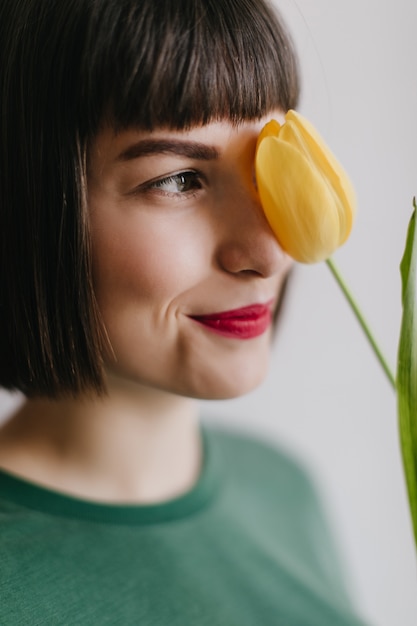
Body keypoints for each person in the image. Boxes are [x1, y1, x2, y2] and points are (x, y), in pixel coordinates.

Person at [0, 0, 368, 623]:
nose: (270, 251)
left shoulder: (284, 489)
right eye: (179, 180)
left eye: (268, 163)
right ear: (29, 202)